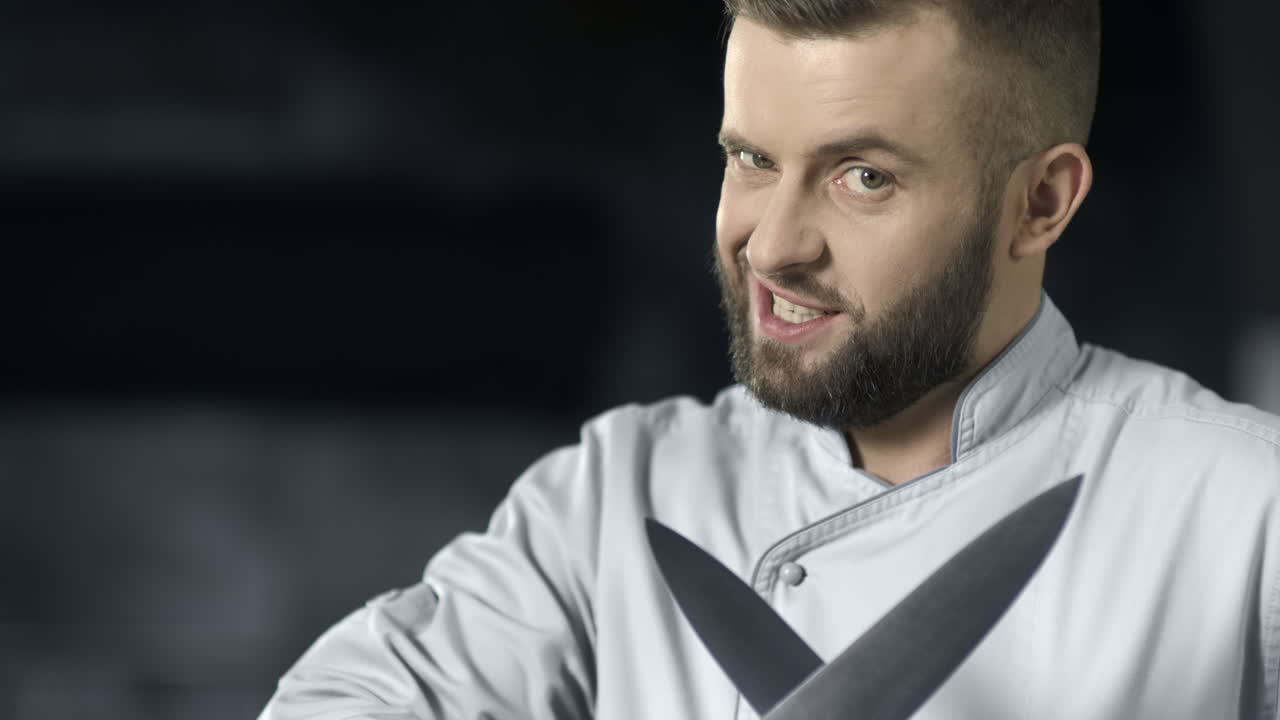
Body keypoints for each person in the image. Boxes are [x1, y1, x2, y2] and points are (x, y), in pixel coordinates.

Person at [260, 1, 1280, 718]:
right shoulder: (620, 497)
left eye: (862, 177)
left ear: (1038, 204)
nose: (771, 242)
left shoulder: (1243, 510)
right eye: (748, 158)